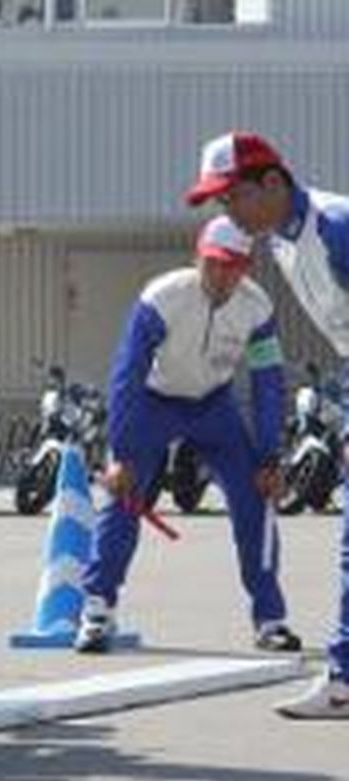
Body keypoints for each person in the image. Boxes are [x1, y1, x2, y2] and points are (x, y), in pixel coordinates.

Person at [74, 214, 300, 655]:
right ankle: (98, 610)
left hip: (213, 406)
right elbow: (127, 373)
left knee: (256, 496)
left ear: (246, 267)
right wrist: (120, 452)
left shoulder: (258, 309)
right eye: (213, 263)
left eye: (232, 266)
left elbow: (268, 383)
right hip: (154, 403)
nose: (221, 275)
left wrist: (270, 456)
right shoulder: (162, 297)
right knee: (125, 496)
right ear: (198, 257)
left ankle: (270, 619)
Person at [184, 130, 349, 718]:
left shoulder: (333, 227)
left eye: (233, 198)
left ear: (273, 182)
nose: (229, 213)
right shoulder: (280, 239)